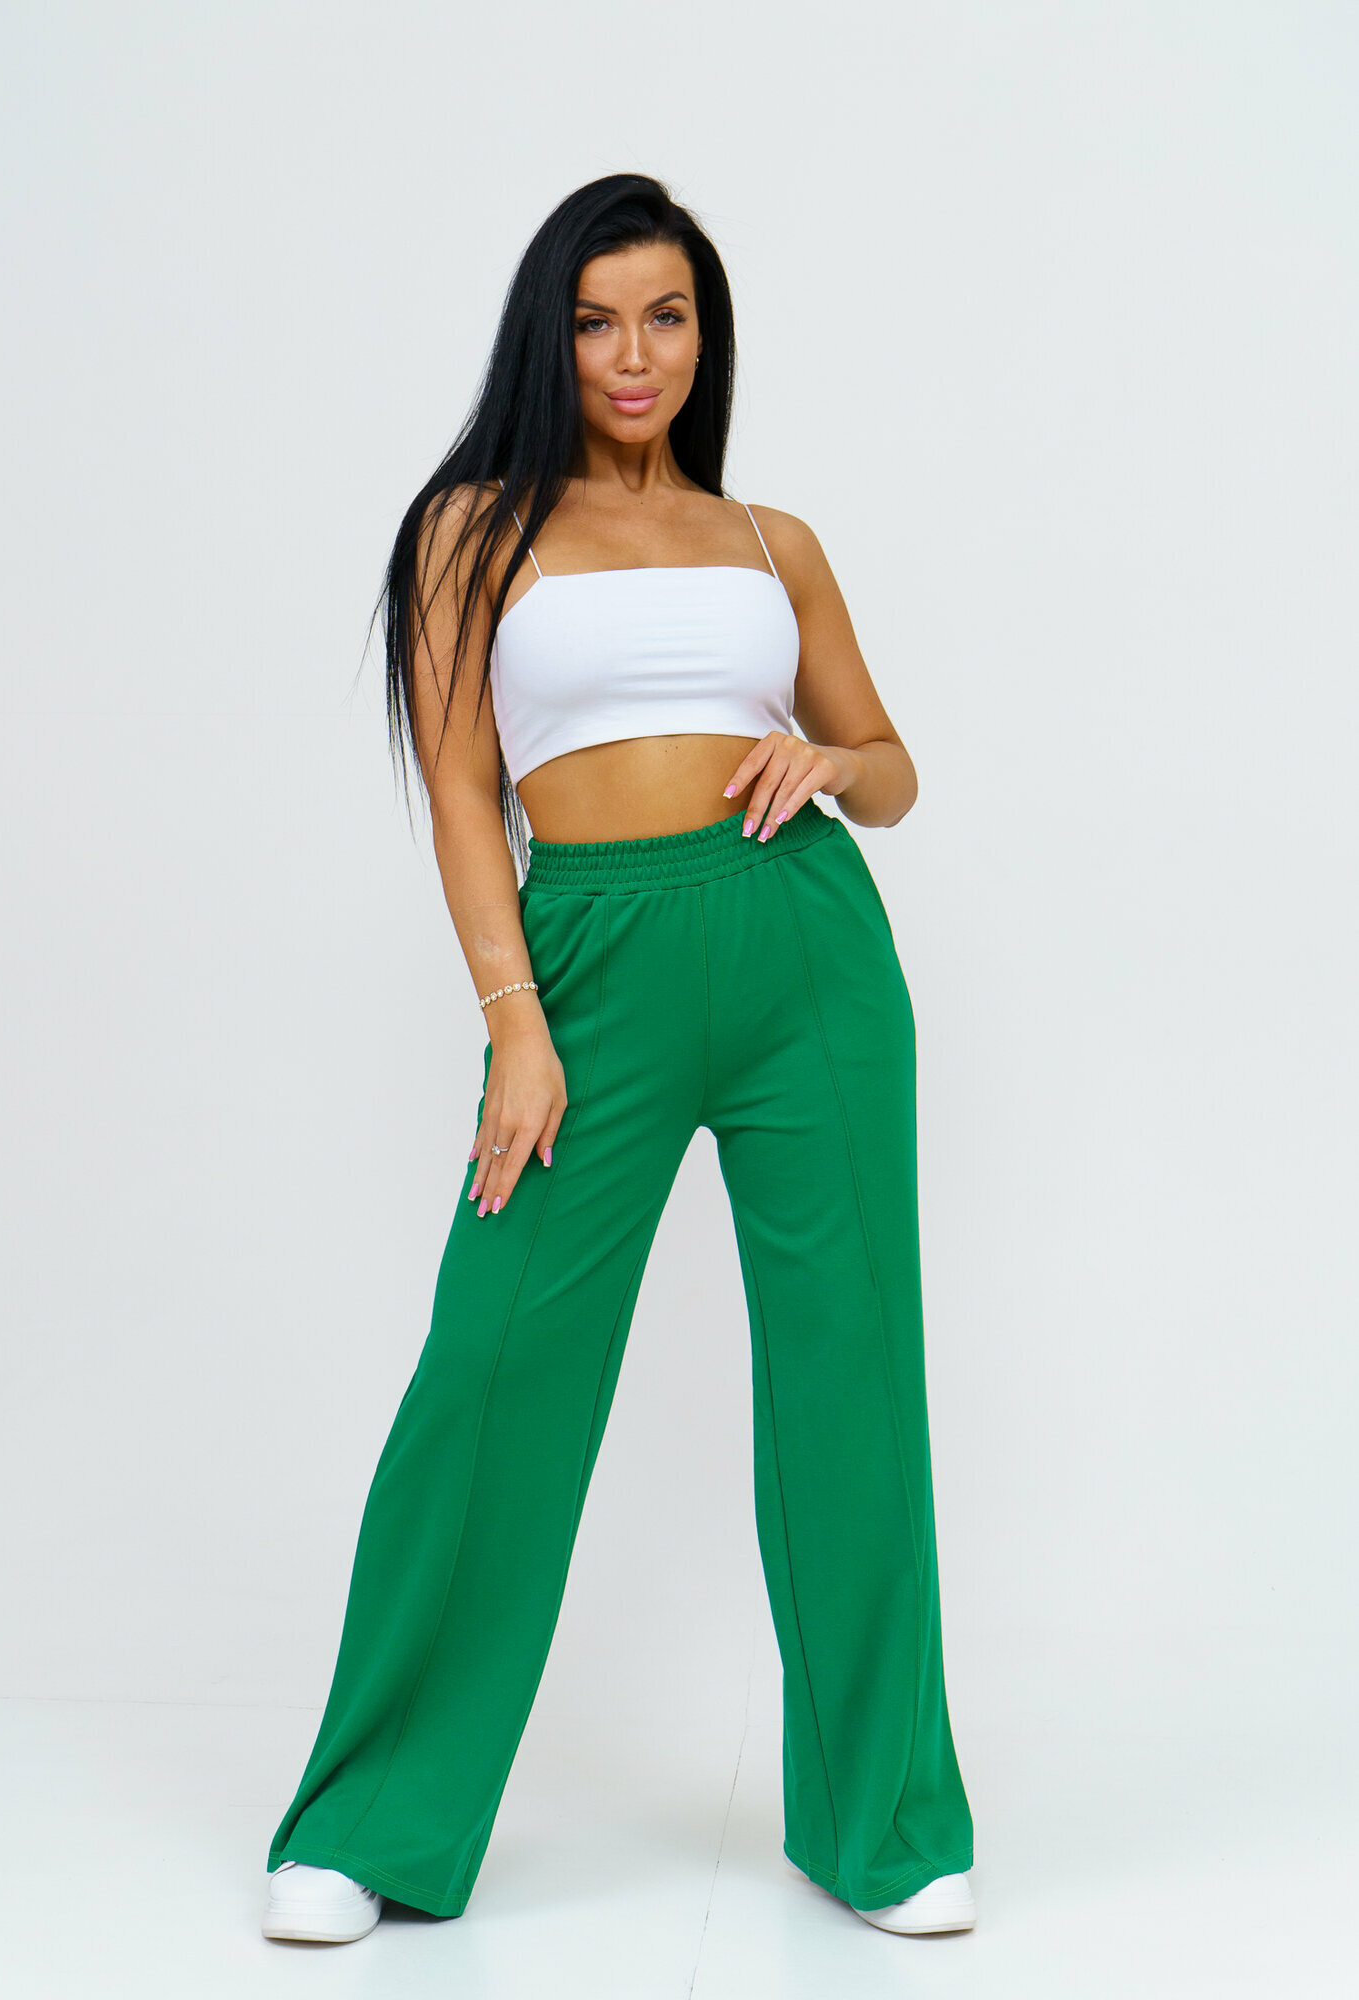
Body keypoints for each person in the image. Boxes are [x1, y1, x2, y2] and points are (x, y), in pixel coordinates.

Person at [261, 172, 975, 1948]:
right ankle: (374, 1819)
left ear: (704, 334)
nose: (634, 354)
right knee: (494, 1374)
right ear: (549, 337)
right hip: (587, 960)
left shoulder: (770, 541)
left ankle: (886, 1825)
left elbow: (890, 767)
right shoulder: (472, 531)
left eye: (666, 317)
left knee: (852, 1383)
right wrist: (516, 1020)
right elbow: (458, 789)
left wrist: (833, 765)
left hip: (805, 947)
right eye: (596, 322)